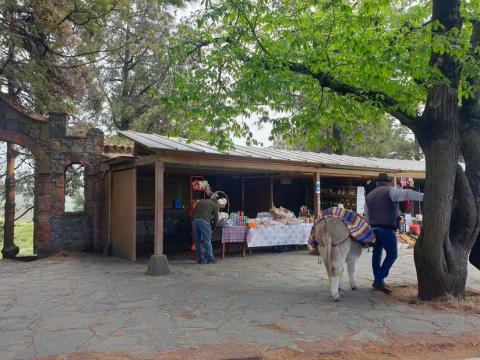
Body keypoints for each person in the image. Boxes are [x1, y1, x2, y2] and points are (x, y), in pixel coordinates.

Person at [365, 172, 424, 294]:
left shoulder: (369, 196)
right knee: (392, 254)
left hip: (374, 228)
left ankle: (378, 280)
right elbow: (407, 193)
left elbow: (367, 215)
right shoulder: (391, 191)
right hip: (387, 228)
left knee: (377, 254)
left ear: (376, 183)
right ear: (388, 183)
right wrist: (424, 196)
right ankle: (379, 279)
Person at [193, 191, 220, 264]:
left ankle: (200, 259)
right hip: (204, 222)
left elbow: (195, 211)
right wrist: (214, 226)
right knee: (207, 240)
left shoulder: (201, 201)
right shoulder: (215, 205)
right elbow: (216, 217)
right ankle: (210, 259)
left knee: (197, 241)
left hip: (195, 221)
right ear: (216, 203)